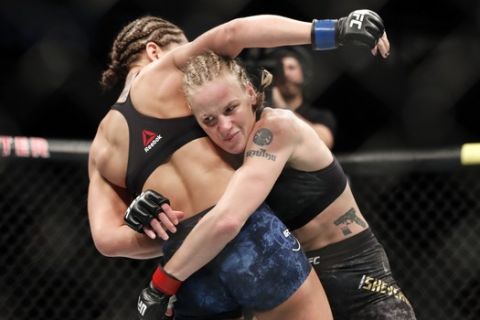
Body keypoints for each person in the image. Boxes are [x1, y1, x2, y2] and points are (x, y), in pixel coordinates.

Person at [88, 10, 388, 320]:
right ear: (154, 51)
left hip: (188, 263)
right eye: (185, 45)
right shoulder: (169, 71)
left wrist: (163, 229)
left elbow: (107, 241)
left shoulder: (100, 147)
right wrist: (331, 30)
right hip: (248, 238)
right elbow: (234, 33)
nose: (200, 70)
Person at [144, 48, 417, 320]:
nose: (224, 127)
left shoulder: (277, 128)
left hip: (357, 278)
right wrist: (147, 213)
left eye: (230, 109)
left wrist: (164, 282)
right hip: (292, 286)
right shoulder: (217, 157)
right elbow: (194, 226)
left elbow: (227, 219)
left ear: (250, 93)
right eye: (210, 120)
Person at [269, 47, 337, 148]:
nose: (286, 74)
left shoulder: (319, 116)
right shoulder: (267, 115)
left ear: (303, 73)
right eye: (281, 69)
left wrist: (282, 106)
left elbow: (324, 141)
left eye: (291, 68)